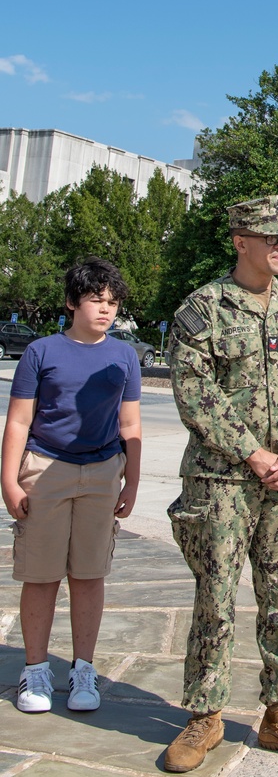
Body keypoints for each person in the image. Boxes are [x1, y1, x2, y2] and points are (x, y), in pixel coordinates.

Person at [163, 195, 278, 774]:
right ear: (241, 242)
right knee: (215, 598)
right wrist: (254, 452)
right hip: (223, 483)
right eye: (270, 238)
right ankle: (205, 716)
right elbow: (194, 393)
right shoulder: (203, 310)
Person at [0, 257, 142, 714]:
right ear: (71, 302)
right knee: (40, 576)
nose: (105, 310)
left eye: (112, 302)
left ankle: (84, 670)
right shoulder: (41, 352)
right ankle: (35, 671)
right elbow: (19, 421)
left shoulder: (123, 356)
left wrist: (131, 482)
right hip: (46, 469)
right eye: (96, 300)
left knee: (88, 575)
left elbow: (130, 421)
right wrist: (8, 480)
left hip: (102, 474)